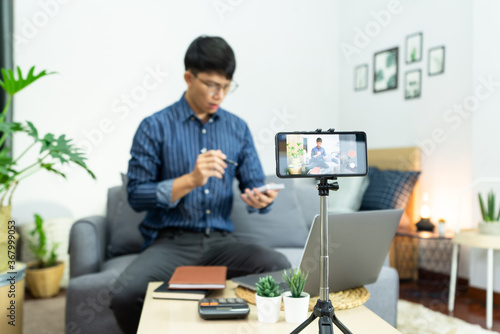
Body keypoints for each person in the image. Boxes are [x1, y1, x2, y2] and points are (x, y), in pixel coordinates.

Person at [110, 36, 291, 333]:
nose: (219, 94)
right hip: (170, 242)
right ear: (188, 77)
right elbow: (136, 196)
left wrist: (262, 198)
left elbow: (253, 183)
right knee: (125, 294)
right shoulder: (154, 126)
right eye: (210, 84)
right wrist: (191, 180)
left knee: (279, 267)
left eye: (226, 86)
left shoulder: (237, 127)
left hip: (221, 242)